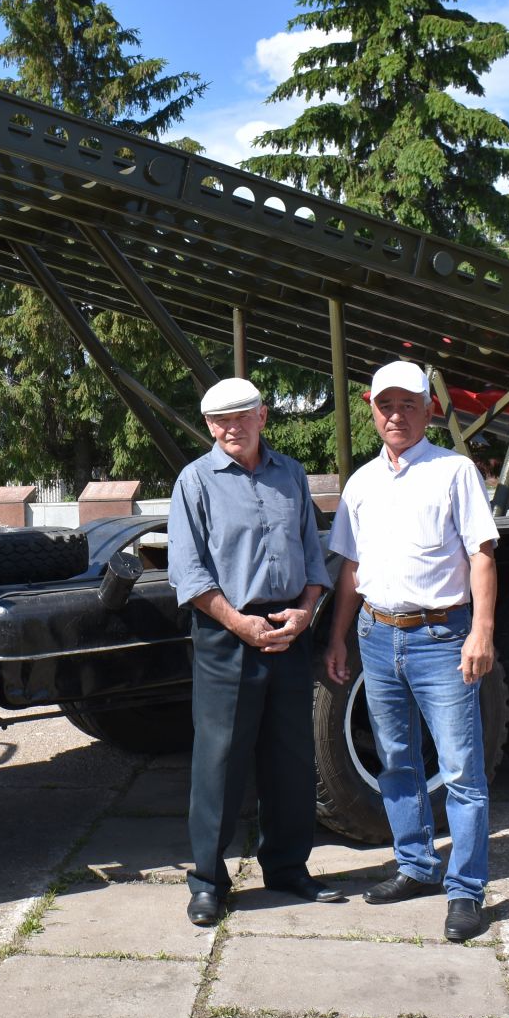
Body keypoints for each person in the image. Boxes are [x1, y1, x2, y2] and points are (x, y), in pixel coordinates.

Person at [322, 360, 500, 943]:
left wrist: (482, 632)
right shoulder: (361, 484)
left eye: (407, 404)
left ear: (430, 409)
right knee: (397, 760)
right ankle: (416, 865)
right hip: (377, 636)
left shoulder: (455, 472)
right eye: (385, 405)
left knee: (461, 771)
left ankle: (466, 891)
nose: (395, 415)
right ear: (372, 409)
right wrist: (338, 638)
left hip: (442, 638)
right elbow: (351, 568)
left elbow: (482, 555)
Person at [167, 377, 342, 927]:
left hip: (290, 627)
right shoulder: (194, 481)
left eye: (241, 416)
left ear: (263, 416)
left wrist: (308, 609)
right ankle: (207, 882)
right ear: (208, 427)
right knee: (219, 761)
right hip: (226, 632)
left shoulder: (289, 474)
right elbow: (188, 573)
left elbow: (314, 554)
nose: (230, 428)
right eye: (219, 421)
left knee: (292, 757)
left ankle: (288, 869)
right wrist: (237, 622)